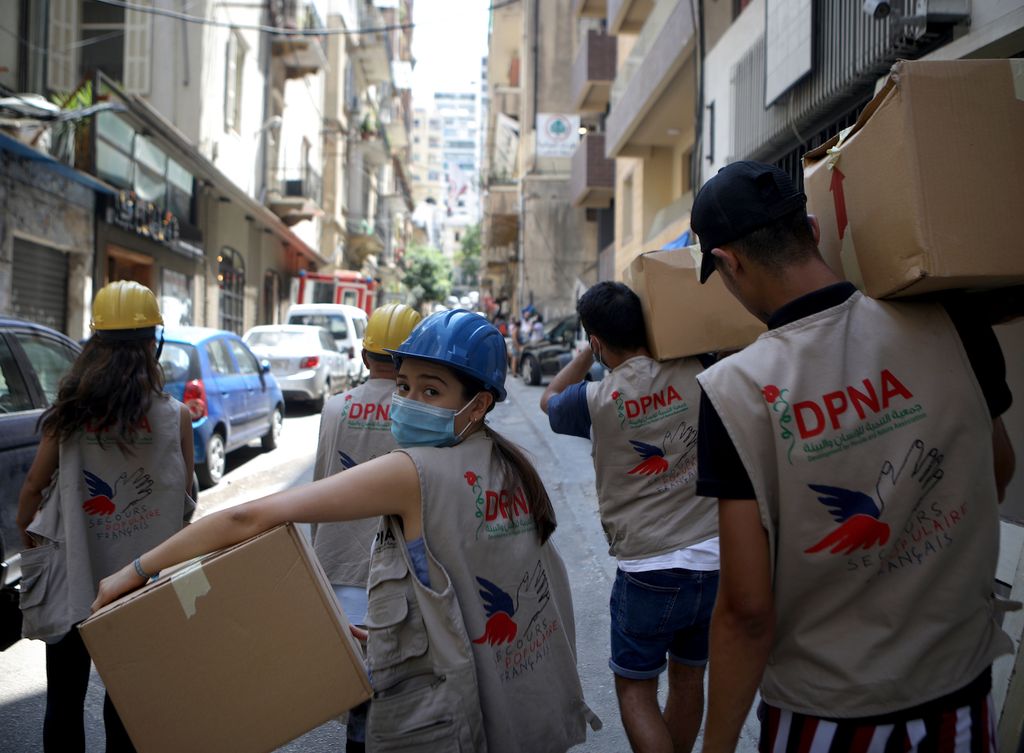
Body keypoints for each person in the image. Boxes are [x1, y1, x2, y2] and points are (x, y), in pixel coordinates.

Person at [92, 309, 599, 753]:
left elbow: (247, 517)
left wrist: (134, 571)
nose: (408, 400)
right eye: (405, 385)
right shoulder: (508, 463)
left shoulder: (412, 473)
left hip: (457, 718)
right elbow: (474, 578)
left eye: (432, 390)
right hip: (521, 695)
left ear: (479, 404)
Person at [690, 161, 1017, 751]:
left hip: (826, 716)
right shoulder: (949, 319)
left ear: (729, 263)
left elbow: (746, 610)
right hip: (960, 700)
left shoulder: (737, 391)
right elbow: (997, 468)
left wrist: (716, 743)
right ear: (812, 229)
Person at [16, 280, 194, 753]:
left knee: (64, 699)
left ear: (95, 342)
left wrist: (29, 539)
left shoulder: (70, 414)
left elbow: (33, 488)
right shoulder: (175, 417)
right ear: (153, 341)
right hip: (140, 586)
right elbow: (186, 504)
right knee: (126, 702)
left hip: (77, 576)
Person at [541, 281, 719, 753]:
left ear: (598, 341)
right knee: (688, 678)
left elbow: (548, 401)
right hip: (713, 560)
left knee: (636, 689)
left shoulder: (594, 400)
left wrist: (585, 354)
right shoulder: (700, 369)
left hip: (648, 569)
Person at [310, 302, 421, 753]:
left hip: (340, 569)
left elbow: (320, 486)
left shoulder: (335, 408)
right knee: (397, 687)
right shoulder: (418, 413)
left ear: (363, 355)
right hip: (399, 572)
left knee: (359, 689)